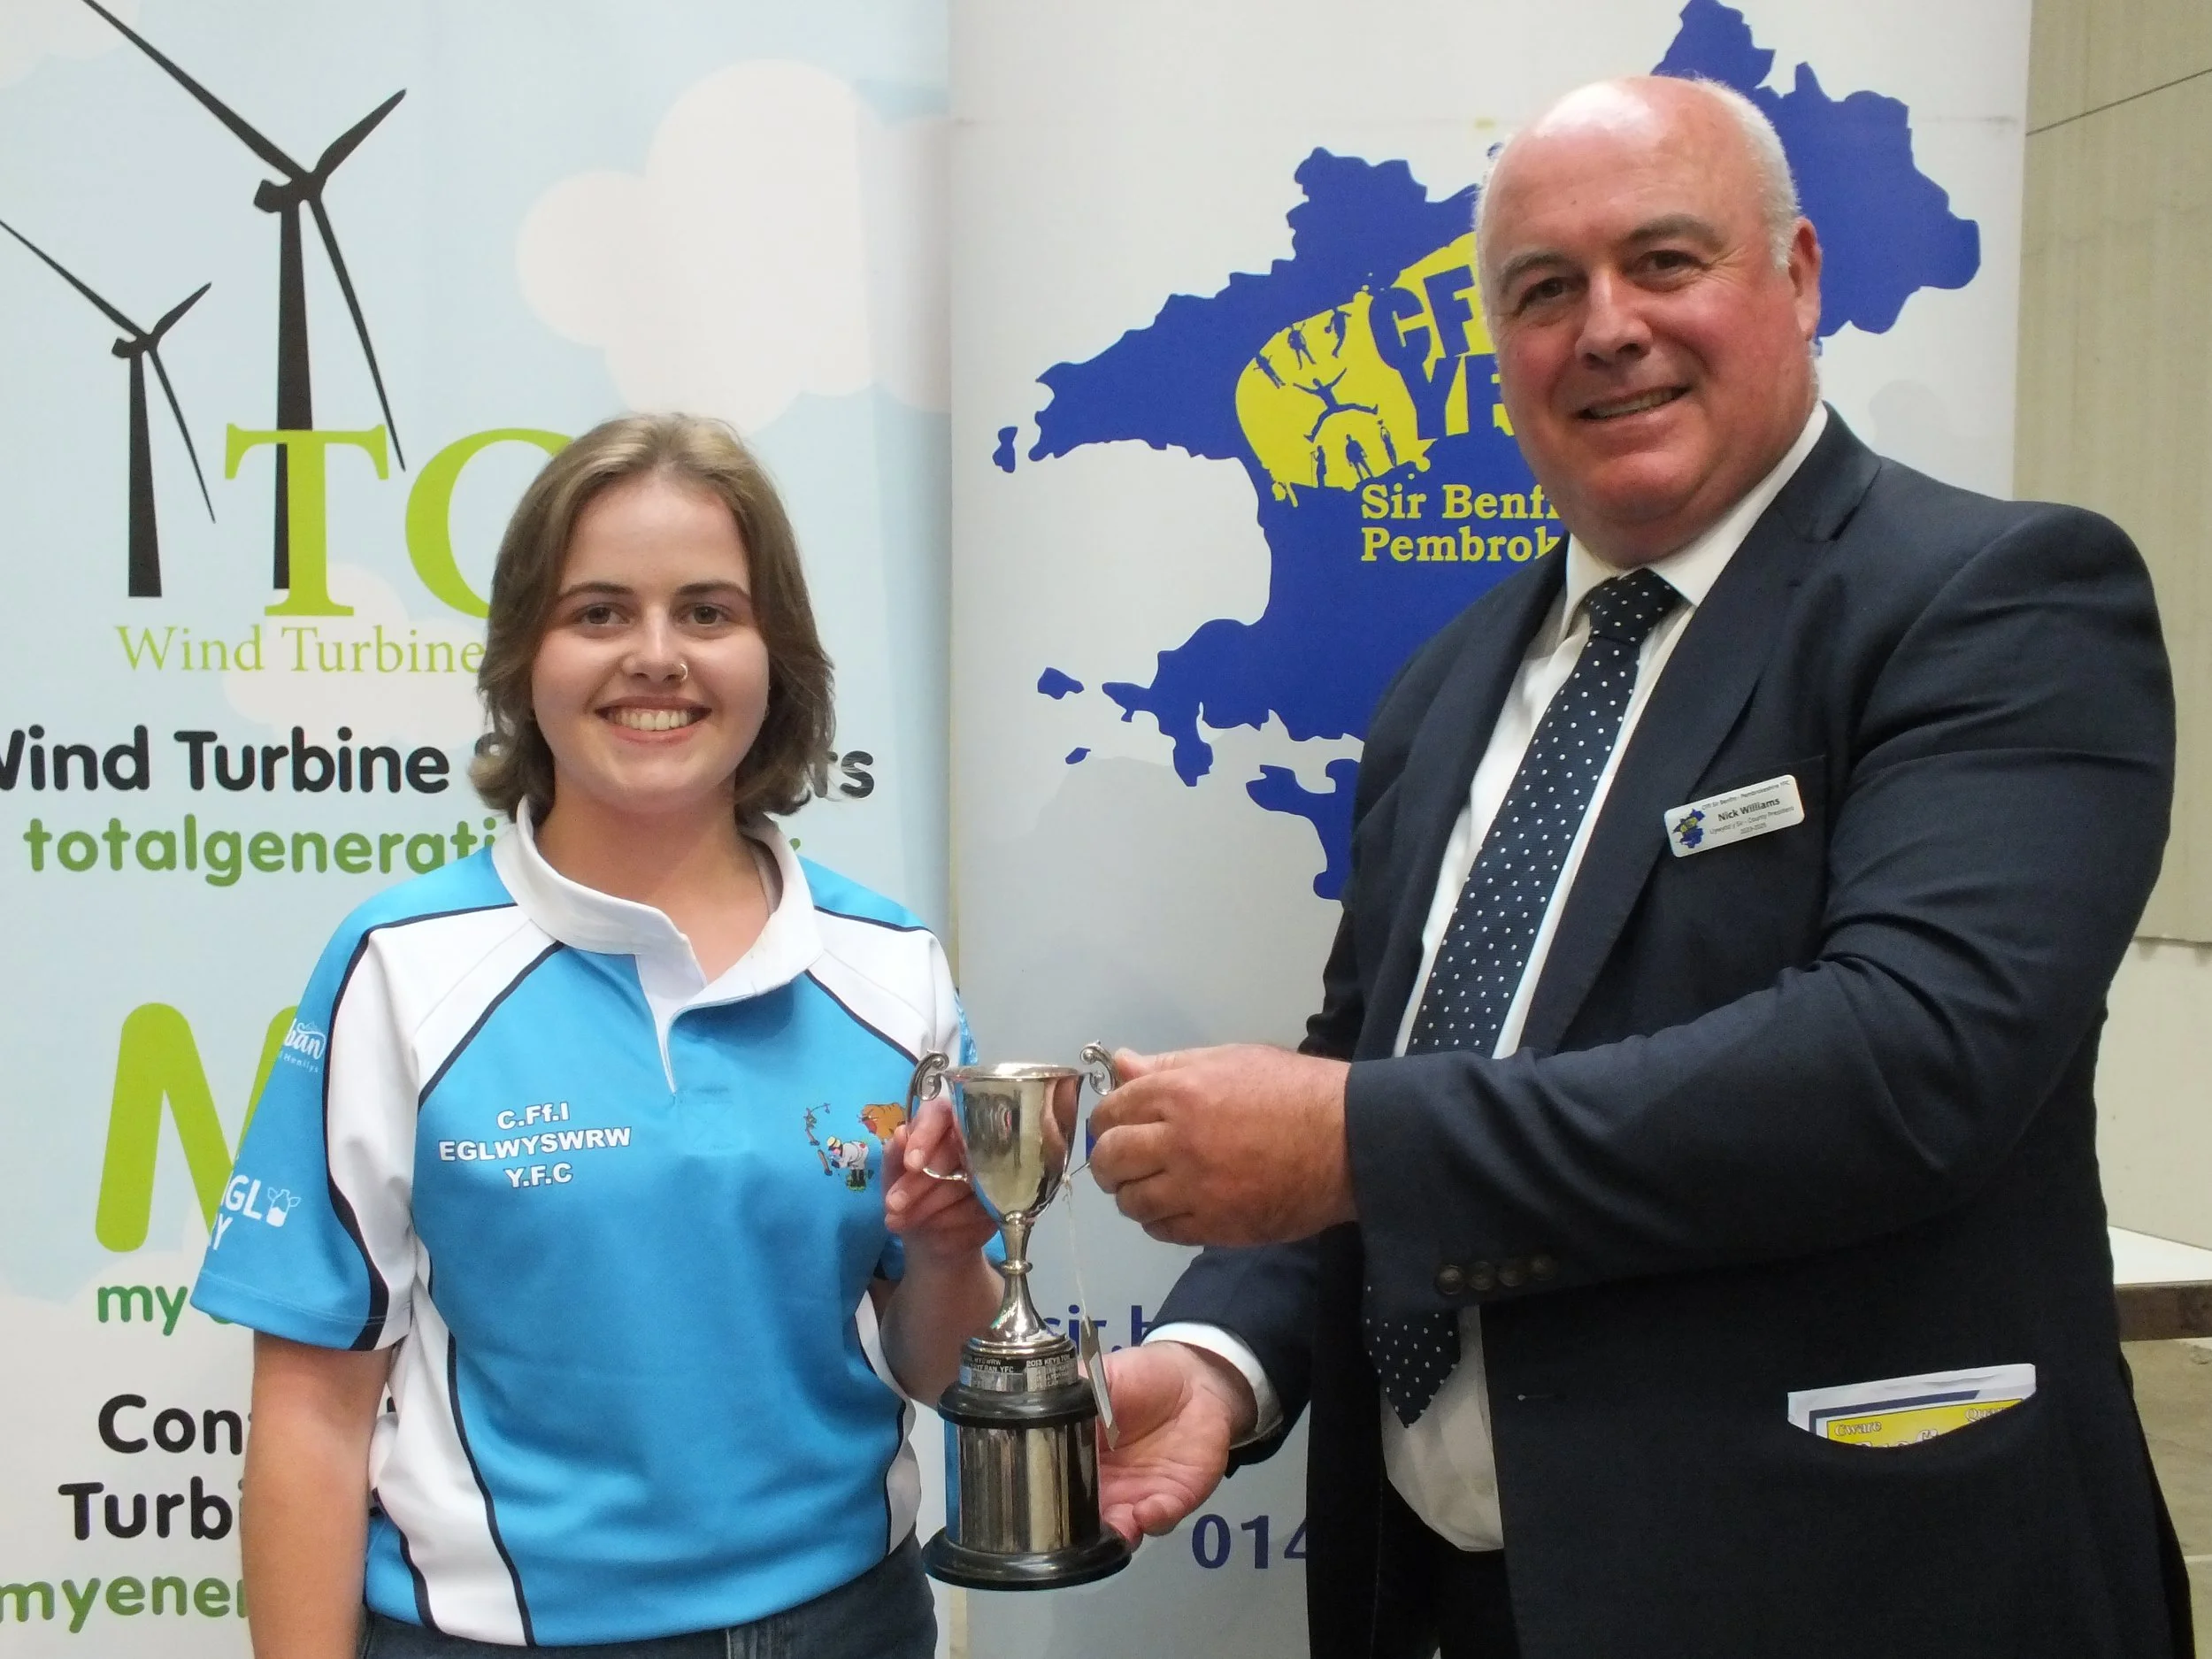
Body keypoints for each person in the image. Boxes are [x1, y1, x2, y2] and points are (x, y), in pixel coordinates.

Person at [1086, 76, 2193, 1659]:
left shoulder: (1994, 602)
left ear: (1796, 276)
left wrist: (1354, 1143)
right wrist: (1223, 1356)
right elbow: (1372, 1064)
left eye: (1665, 261)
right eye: (1545, 290)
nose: (1607, 328)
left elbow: (1912, 1061)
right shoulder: (1446, 690)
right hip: (1452, 1603)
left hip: (1856, 1594)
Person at [191, 414, 999, 1657]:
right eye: (600, 612)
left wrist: (948, 1258)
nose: (656, 657)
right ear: (526, 655)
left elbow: (943, 1365)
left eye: (709, 612)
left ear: (776, 655)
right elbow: (310, 1412)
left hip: (854, 1622)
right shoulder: (402, 969)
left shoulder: (891, 969)